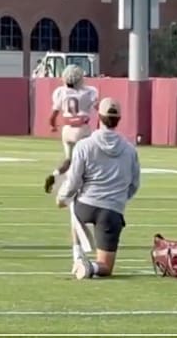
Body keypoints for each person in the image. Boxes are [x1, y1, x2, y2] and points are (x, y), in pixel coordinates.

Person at [55, 97, 140, 279]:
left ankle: (78, 254)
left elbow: (74, 181)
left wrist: (62, 197)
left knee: (71, 201)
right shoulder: (130, 150)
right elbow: (134, 184)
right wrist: (119, 200)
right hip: (112, 211)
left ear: (98, 117)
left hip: (85, 205)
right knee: (105, 268)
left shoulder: (84, 146)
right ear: (119, 120)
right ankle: (91, 267)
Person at [44, 65, 98, 193]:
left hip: (67, 129)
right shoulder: (89, 91)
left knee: (69, 160)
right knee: (88, 160)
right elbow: (99, 108)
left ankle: (56, 175)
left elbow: (52, 117)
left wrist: (52, 126)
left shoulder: (60, 92)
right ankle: (76, 186)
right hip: (82, 129)